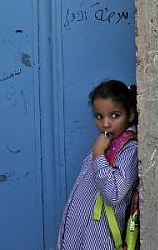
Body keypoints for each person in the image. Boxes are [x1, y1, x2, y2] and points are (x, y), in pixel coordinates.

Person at [57, 80, 139, 250]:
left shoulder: (129, 150)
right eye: (99, 116)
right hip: (78, 239)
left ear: (130, 115)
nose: (106, 124)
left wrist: (99, 155)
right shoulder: (103, 144)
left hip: (98, 241)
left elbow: (113, 194)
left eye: (115, 115)